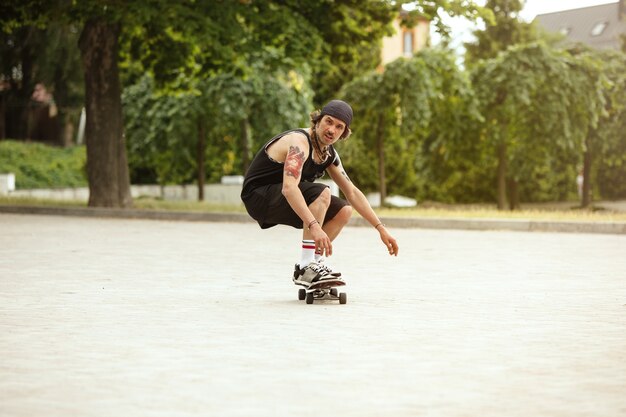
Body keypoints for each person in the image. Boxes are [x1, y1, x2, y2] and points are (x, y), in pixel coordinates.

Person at [241, 99, 399, 288]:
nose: (332, 130)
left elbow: (353, 192)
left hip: (282, 198)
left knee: (344, 210)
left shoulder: (328, 154)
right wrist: (315, 227)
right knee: (323, 192)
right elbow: (289, 187)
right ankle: (306, 265)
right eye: (329, 121)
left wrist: (381, 229)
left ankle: (314, 263)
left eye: (339, 127)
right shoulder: (299, 142)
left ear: (343, 133)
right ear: (317, 121)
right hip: (258, 197)